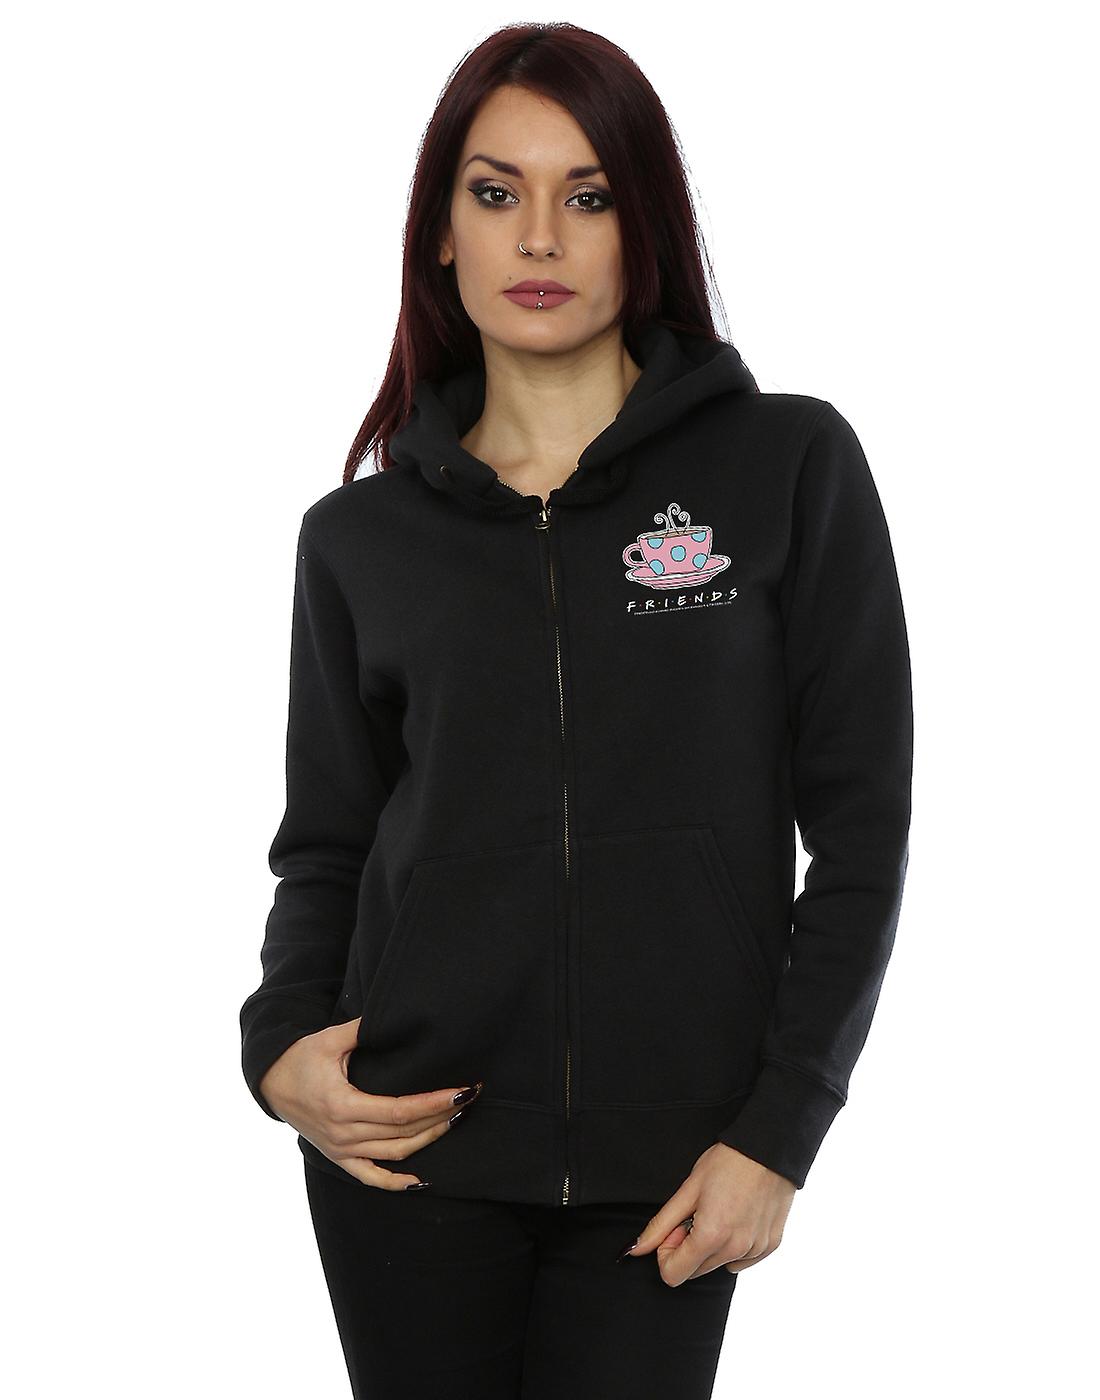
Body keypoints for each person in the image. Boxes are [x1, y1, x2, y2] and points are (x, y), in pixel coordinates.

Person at [238, 21, 913, 1400]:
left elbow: (861, 834)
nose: (539, 236)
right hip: (406, 1147)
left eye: (588, 195)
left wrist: (780, 1131)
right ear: (442, 232)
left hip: (676, 1162)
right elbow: (328, 845)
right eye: (497, 192)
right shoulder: (358, 539)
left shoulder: (786, 466)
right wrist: (279, 1048)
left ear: (642, 225)